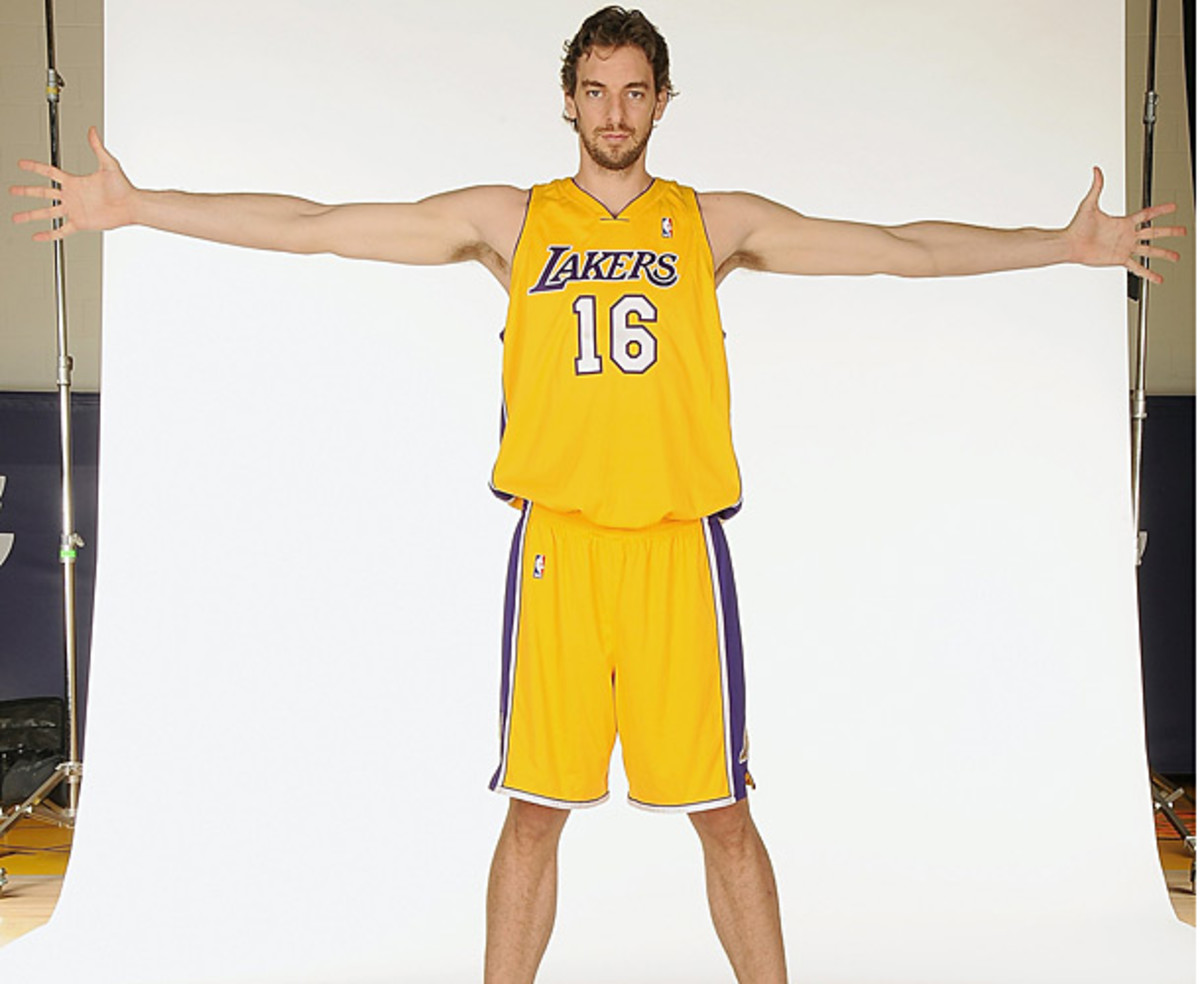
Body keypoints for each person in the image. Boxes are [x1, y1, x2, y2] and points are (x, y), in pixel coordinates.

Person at [9, 7, 1185, 983]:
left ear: (663, 101)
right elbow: (320, 228)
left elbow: (895, 247)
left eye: (634, 92)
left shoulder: (709, 224)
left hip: (677, 552)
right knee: (534, 811)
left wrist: (1060, 245)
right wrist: (141, 206)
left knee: (723, 813)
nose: (614, 111)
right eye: (595, 91)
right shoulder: (513, 220)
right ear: (566, 101)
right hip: (558, 550)